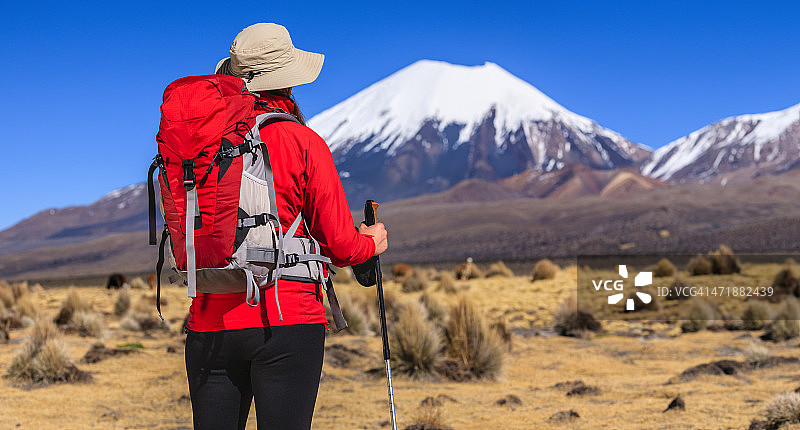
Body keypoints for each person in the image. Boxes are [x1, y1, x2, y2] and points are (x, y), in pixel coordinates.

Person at [184, 23, 388, 430]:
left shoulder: (199, 146)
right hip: (286, 319)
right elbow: (342, 247)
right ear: (288, 84)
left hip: (208, 321)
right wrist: (373, 243)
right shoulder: (301, 140)